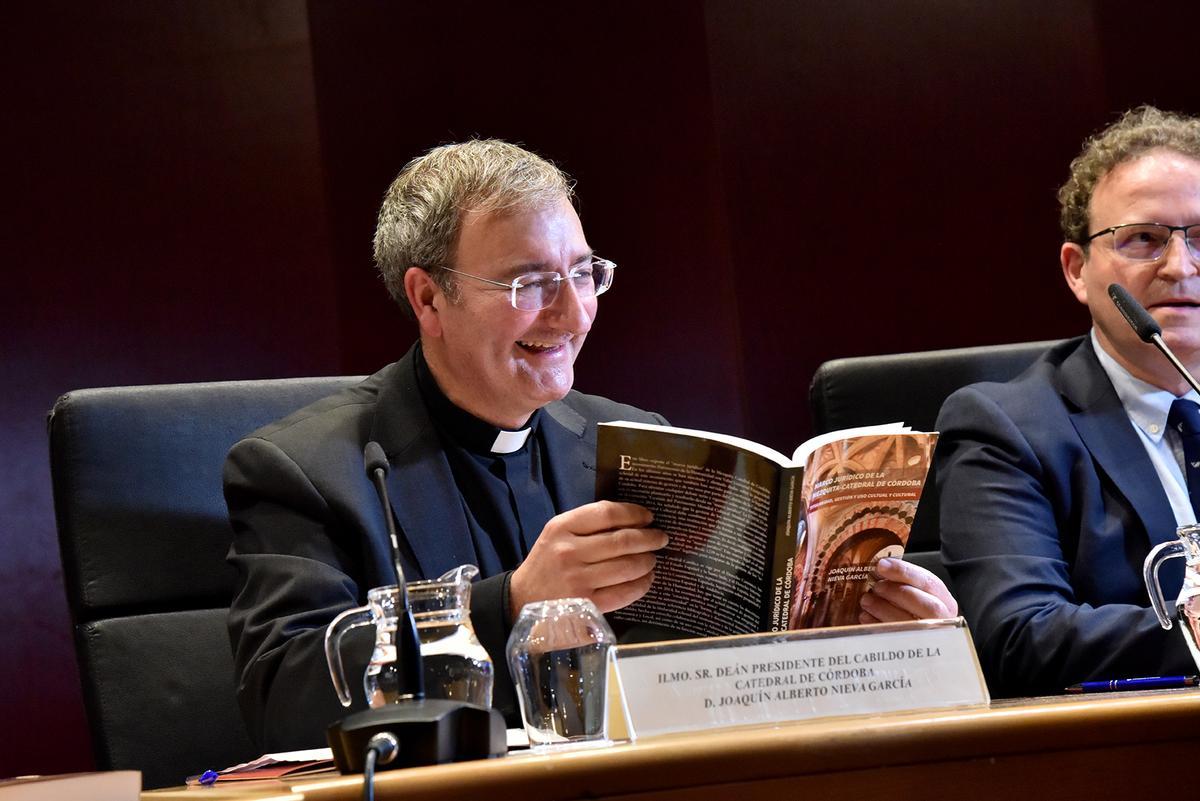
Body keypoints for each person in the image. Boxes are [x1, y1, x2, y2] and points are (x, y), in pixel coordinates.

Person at [225, 139, 957, 750]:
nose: (574, 313)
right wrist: (509, 604)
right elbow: (282, 696)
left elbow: (720, 671)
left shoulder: (644, 445)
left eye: (584, 273)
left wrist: (866, 628)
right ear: (427, 298)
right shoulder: (311, 470)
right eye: (531, 283)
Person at [937, 106, 1200, 698]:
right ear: (1078, 271)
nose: (1180, 267)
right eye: (1143, 239)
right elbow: (1020, 638)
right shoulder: (1004, 427)